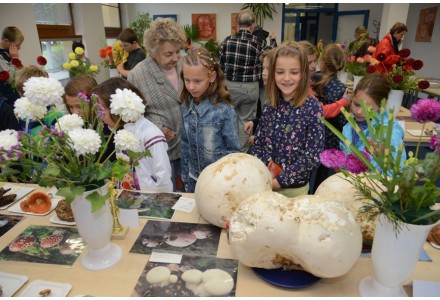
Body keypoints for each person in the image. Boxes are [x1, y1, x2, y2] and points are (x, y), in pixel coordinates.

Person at [251, 42, 324, 198]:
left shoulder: (313, 108)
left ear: (303, 73)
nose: (286, 78)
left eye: (294, 72)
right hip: (265, 184)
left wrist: (280, 181)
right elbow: (259, 142)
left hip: (294, 192)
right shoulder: (270, 105)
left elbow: (312, 156)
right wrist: (262, 173)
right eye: (280, 72)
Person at [128, 17, 186, 192]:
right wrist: (158, 128)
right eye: (169, 54)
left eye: (178, 51)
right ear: (152, 51)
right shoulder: (138, 74)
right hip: (161, 148)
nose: (176, 57)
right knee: (167, 194)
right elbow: (134, 118)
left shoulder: (183, 64)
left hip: (188, 144)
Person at [92, 77, 173, 192]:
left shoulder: (151, 134)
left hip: (149, 203)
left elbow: (163, 177)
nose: (99, 116)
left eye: (102, 111)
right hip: (128, 199)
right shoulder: (120, 131)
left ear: (118, 109)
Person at [180, 47, 240, 193]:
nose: (191, 87)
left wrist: (228, 181)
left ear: (211, 77)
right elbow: (185, 143)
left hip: (217, 182)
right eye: (187, 80)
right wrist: (184, 175)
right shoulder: (185, 106)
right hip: (193, 178)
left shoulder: (224, 110)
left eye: (197, 81)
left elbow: (233, 151)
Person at [219, 10, 265, 153]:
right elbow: (268, 61)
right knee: (245, 122)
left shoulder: (227, 41)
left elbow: (220, 65)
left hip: (229, 87)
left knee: (228, 119)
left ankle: (227, 150)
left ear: (237, 25)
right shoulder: (259, 43)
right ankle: (241, 153)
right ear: (252, 26)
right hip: (250, 88)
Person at [341, 73, 407, 171]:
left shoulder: (390, 134)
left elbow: (396, 173)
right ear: (352, 96)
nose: (359, 112)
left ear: (381, 106)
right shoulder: (349, 126)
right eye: (356, 104)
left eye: (368, 108)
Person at [310, 43, 347, 192]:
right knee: (323, 177)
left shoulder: (314, 80)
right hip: (330, 138)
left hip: (312, 134)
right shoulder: (340, 88)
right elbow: (342, 121)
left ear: (322, 61)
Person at [14, 65, 63, 135]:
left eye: (28, 93)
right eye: (21, 92)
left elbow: (60, 139)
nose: (24, 97)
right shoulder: (23, 113)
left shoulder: (54, 115)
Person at [0, 26, 23, 106]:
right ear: (6, 41)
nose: (19, 47)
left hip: (16, 96)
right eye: (17, 45)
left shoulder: (8, 53)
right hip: (8, 100)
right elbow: (10, 78)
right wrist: (15, 59)